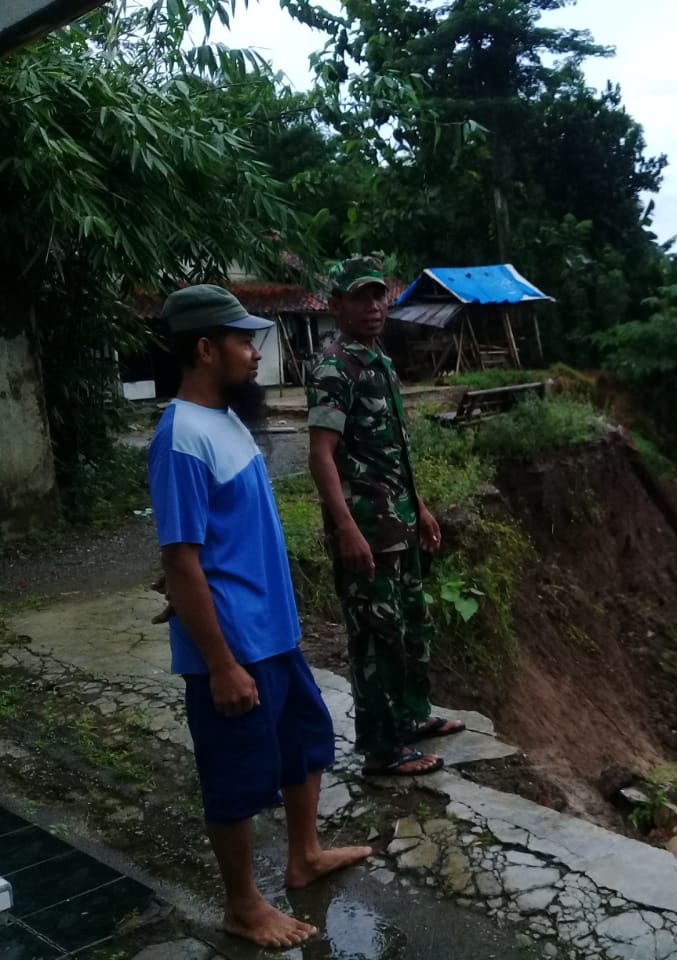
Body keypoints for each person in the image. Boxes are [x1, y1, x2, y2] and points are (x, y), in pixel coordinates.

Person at [148, 284, 370, 948]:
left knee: (304, 741)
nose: (254, 351)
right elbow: (182, 560)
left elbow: (216, 538)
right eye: (244, 341)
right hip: (234, 646)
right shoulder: (181, 436)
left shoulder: (226, 421)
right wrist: (219, 664)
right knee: (237, 775)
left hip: (273, 632)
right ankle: (243, 906)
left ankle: (304, 857)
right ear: (207, 348)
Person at [307, 256, 464, 779]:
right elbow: (321, 455)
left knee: (411, 626)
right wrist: (347, 529)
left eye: (378, 295)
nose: (373, 306)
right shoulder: (335, 367)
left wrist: (419, 508)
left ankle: (412, 718)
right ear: (337, 305)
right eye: (360, 297)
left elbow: (394, 450)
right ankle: (381, 748)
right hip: (366, 532)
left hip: (399, 525)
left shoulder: (381, 362)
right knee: (376, 638)